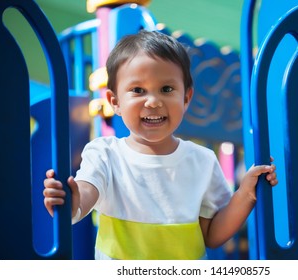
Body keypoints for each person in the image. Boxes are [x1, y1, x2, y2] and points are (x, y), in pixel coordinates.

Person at [43, 30, 278, 260]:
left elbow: (212, 234)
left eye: (167, 89)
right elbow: (86, 191)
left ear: (186, 98)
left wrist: (246, 194)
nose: (153, 102)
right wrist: (73, 203)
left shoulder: (202, 161)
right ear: (115, 102)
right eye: (138, 90)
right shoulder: (105, 154)